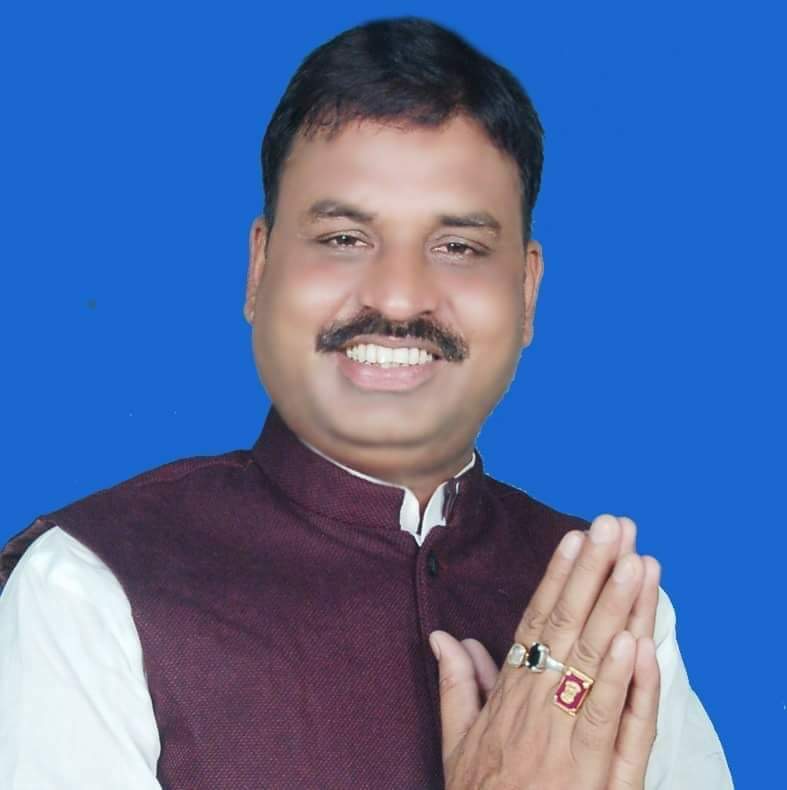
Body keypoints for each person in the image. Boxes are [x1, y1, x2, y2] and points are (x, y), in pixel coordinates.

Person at [0, 16, 732, 790]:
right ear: (258, 269)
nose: (399, 297)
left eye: (457, 247)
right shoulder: (90, 586)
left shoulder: (608, 614)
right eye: (344, 238)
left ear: (525, 293)